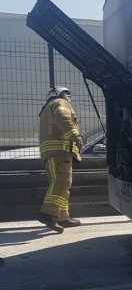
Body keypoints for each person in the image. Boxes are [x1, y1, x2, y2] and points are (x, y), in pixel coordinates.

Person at [37, 86, 83, 233]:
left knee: (64, 183)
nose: (69, 97)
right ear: (58, 94)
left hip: (55, 151)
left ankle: (63, 216)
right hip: (59, 151)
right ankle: (48, 214)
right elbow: (63, 117)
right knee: (60, 182)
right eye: (67, 93)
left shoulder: (47, 108)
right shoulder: (60, 102)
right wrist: (75, 135)